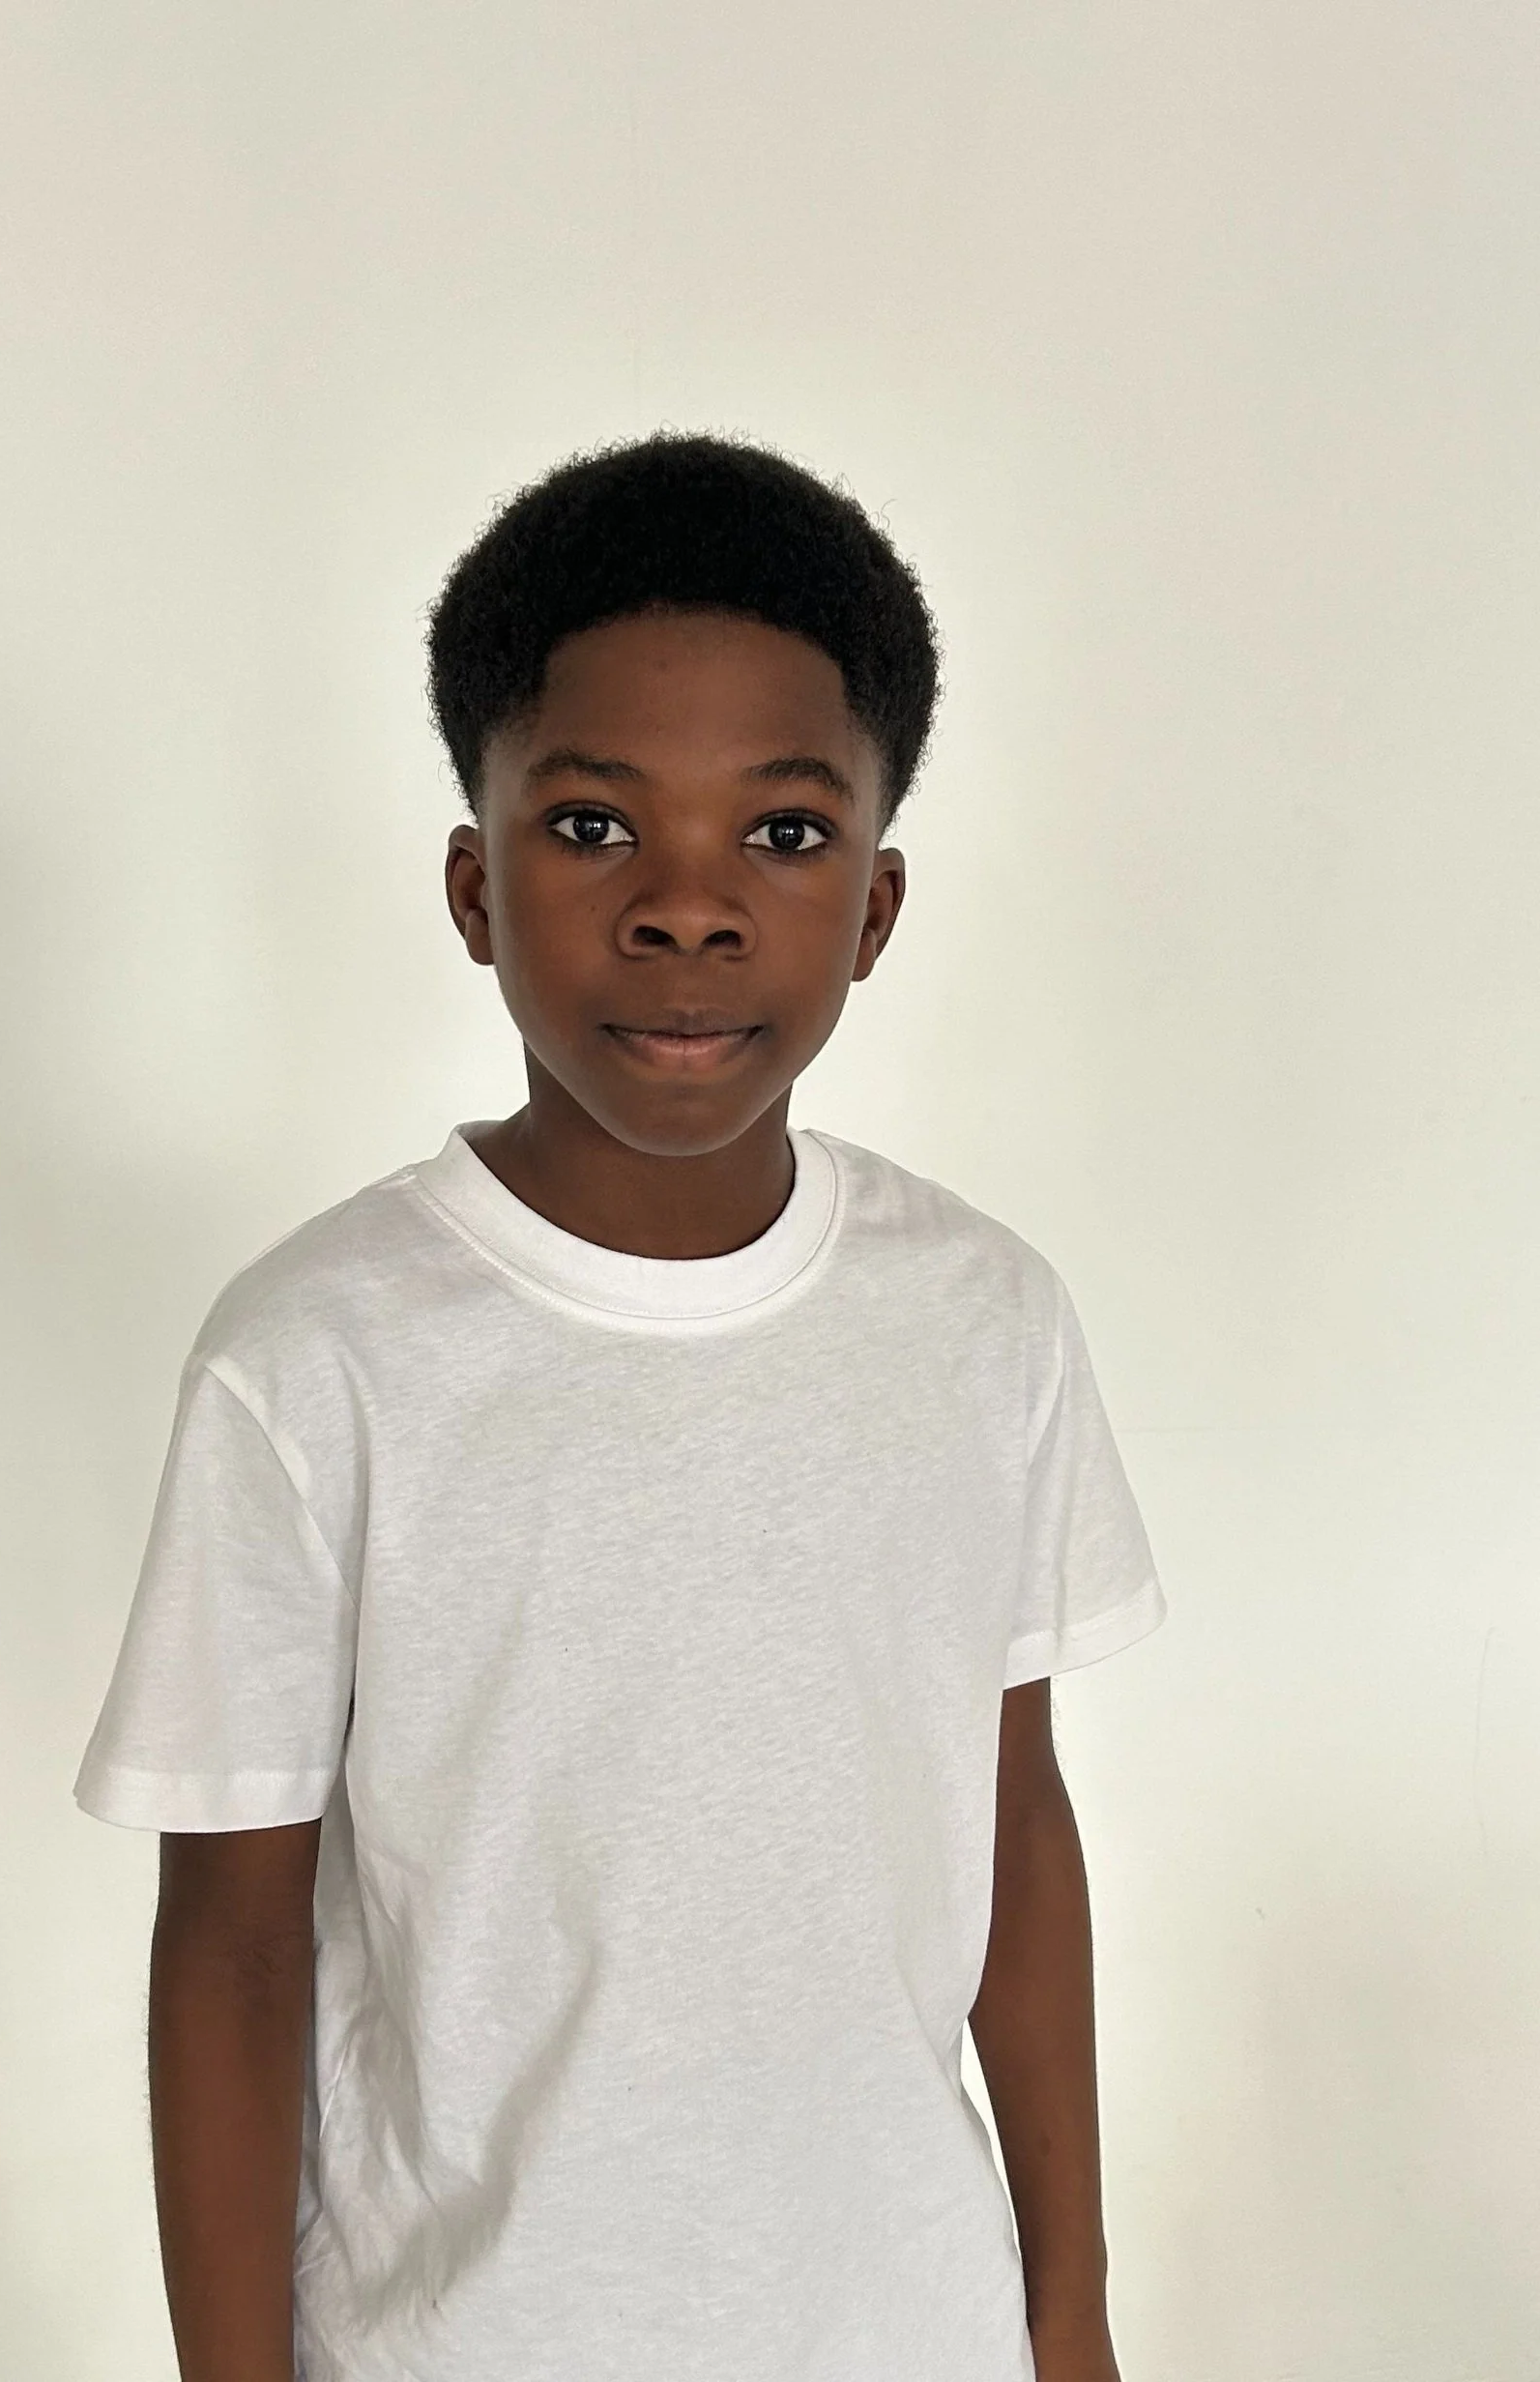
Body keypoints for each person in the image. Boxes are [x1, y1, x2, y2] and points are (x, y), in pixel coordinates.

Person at [74, 431, 1166, 2382]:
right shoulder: (317, 1357)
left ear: (880, 902)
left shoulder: (983, 1317)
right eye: (592, 831)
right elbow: (230, 1950)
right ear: (475, 886)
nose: (686, 908)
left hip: (909, 2328)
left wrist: (1067, 2310)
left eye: (782, 831)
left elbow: (1016, 1822)